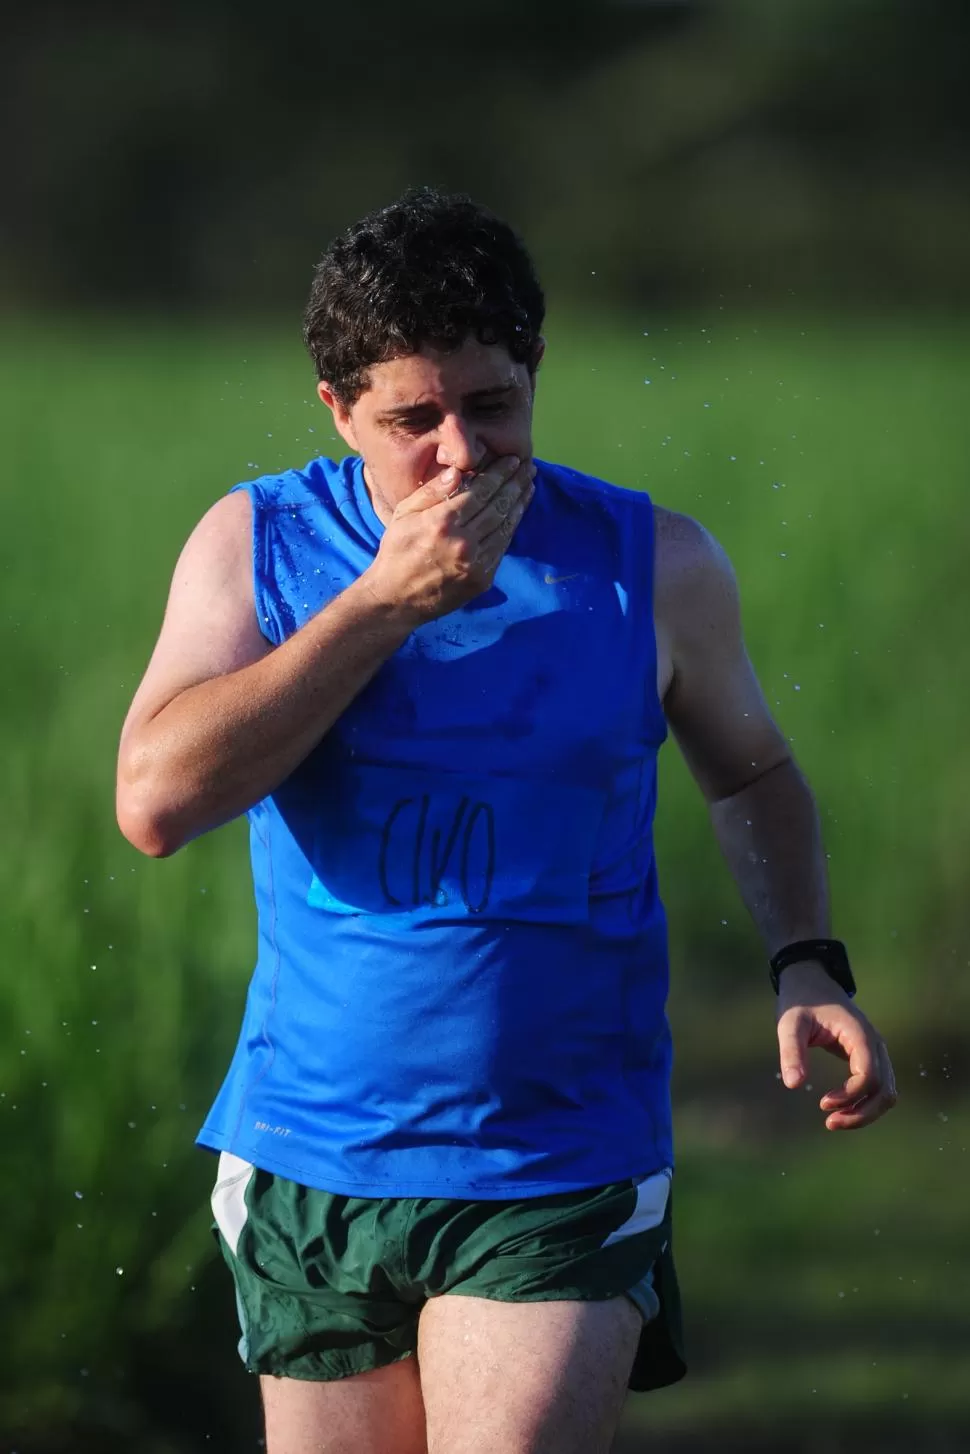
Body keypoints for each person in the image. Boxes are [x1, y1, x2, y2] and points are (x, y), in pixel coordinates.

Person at [116, 187, 897, 1454]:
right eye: (412, 421)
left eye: (491, 405)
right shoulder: (255, 544)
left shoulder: (655, 564)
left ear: (535, 370)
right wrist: (381, 604)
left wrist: (806, 957)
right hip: (309, 1153)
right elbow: (155, 800)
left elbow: (751, 775)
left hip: (557, 1152)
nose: (461, 456)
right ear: (337, 411)